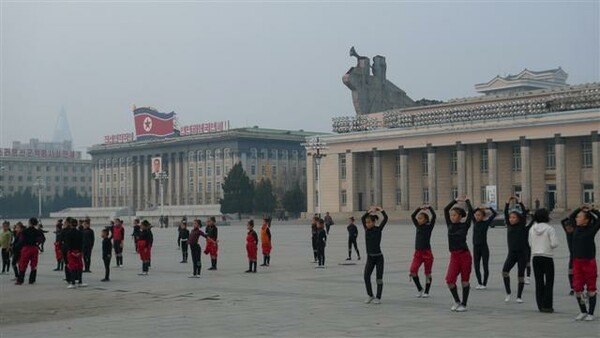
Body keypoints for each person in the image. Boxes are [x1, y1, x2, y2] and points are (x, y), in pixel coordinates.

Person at [569, 205, 600, 321]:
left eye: (580, 217)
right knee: (577, 288)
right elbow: (571, 216)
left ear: (586, 220)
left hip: (589, 262)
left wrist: (593, 210)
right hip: (577, 262)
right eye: (577, 217)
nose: (577, 218)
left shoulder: (591, 229)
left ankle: (591, 313)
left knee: (591, 288)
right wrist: (579, 208)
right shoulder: (576, 228)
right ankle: (583, 311)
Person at [444, 196, 473, 312]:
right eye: (452, 215)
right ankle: (457, 300)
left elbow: (471, 212)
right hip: (454, 256)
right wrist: (455, 201)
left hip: (464, 255)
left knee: (464, 280)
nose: (452, 217)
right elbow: (446, 210)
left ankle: (464, 304)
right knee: (450, 280)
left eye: (455, 215)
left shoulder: (465, 225)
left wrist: (467, 201)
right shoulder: (449, 225)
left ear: (460, 216)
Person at [528, 208, 559, 313]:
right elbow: (555, 243)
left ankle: (540, 305)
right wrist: (547, 245)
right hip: (547, 256)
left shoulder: (532, 228)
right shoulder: (550, 229)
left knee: (539, 281)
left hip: (536, 257)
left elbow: (530, 243)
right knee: (549, 282)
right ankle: (548, 305)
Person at [502, 197, 529, 303]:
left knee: (520, 275)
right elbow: (505, 213)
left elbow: (524, 213)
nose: (511, 219)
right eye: (510, 217)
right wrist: (507, 203)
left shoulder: (522, 225)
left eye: (514, 217)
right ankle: (508, 293)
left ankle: (519, 296)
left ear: (518, 218)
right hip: (511, 254)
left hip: (522, 254)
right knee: (505, 272)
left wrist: (520, 202)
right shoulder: (509, 225)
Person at [362, 206, 388, 304]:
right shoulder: (366, 230)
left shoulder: (378, 229)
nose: (367, 224)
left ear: (373, 222)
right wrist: (368, 211)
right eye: (366, 222)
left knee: (379, 278)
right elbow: (362, 218)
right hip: (370, 257)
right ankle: (370, 295)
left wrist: (381, 210)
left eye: (369, 222)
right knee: (366, 276)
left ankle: (378, 297)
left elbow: (385, 219)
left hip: (379, 258)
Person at [410, 205, 436, 298]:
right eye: (418, 218)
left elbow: (434, 216)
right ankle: (420, 289)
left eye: (421, 218)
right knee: (413, 270)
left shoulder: (429, 227)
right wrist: (419, 208)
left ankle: (427, 291)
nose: (418, 220)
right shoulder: (418, 226)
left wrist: (430, 208)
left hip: (427, 253)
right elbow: (412, 216)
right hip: (418, 253)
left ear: (426, 220)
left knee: (427, 273)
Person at [472, 206, 498, 290]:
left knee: (485, 266)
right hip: (476, 248)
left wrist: (489, 208)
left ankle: (484, 283)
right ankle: (479, 282)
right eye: (476, 215)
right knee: (476, 266)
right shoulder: (474, 222)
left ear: (483, 216)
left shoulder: (486, 223)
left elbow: (495, 214)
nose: (477, 216)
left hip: (484, 248)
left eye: (479, 215)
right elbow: (471, 212)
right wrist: (477, 208)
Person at [16, 218, 43, 285]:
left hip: (26, 248)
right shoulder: (37, 231)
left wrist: (16, 247)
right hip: (34, 248)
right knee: (34, 264)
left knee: (23, 264)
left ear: (30, 223)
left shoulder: (25, 231)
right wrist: (37, 243)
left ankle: (20, 280)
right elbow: (42, 239)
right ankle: (32, 280)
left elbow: (21, 240)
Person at [64, 219, 85, 288]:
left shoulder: (68, 233)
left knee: (72, 267)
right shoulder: (80, 233)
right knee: (79, 267)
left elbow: (68, 244)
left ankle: (73, 282)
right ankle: (80, 281)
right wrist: (80, 252)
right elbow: (82, 243)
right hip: (79, 251)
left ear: (70, 224)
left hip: (71, 252)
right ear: (77, 224)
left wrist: (71, 252)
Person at [561, 216, 575, 295]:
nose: (568, 229)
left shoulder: (576, 232)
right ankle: (572, 287)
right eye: (567, 228)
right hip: (572, 256)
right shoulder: (567, 233)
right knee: (570, 272)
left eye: (570, 228)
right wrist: (569, 217)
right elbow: (562, 221)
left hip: (579, 255)